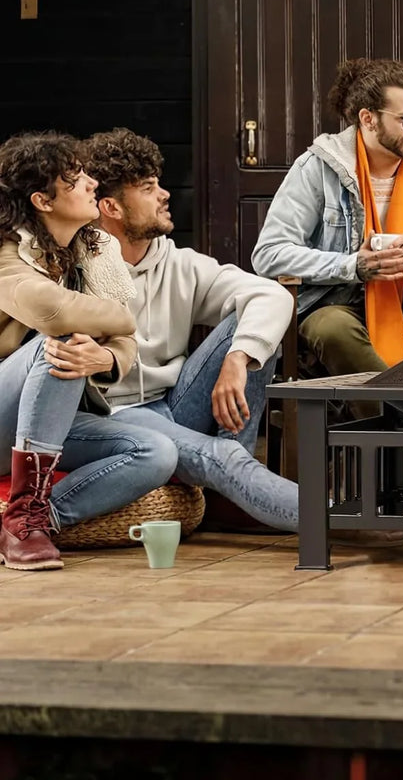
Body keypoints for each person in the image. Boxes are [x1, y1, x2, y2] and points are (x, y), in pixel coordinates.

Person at [80, 128, 301, 532]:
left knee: (250, 327)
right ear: (110, 206)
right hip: (115, 415)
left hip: (174, 403)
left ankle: (228, 496)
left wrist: (239, 357)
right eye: (147, 188)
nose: (164, 194)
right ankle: (343, 516)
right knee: (223, 459)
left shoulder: (178, 263)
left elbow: (273, 295)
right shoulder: (79, 269)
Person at [0, 132, 176, 571]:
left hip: (51, 419)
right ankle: (24, 517)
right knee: (62, 341)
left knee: (157, 452)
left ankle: (32, 519)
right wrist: (123, 318)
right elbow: (52, 311)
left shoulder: (94, 251)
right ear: (42, 200)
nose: (92, 183)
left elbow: (123, 345)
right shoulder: (6, 251)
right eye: (75, 179)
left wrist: (108, 358)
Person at [250, 57, 403, 380]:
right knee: (331, 327)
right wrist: (353, 266)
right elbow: (269, 254)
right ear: (369, 119)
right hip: (339, 303)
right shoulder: (317, 169)